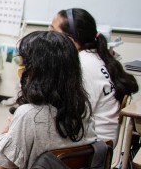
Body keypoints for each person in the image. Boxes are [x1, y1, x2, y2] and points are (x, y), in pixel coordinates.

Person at [0, 31, 95, 169]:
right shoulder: (82, 108)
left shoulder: (28, 115)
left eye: (23, 63)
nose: (20, 68)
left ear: (36, 70)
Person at [51, 8, 138, 145]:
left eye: (53, 32)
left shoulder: (82, 65)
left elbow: (73, 116)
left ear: (70, 39)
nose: (48, 37)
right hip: (101, 141)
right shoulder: (97, 57)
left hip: (92, 148)